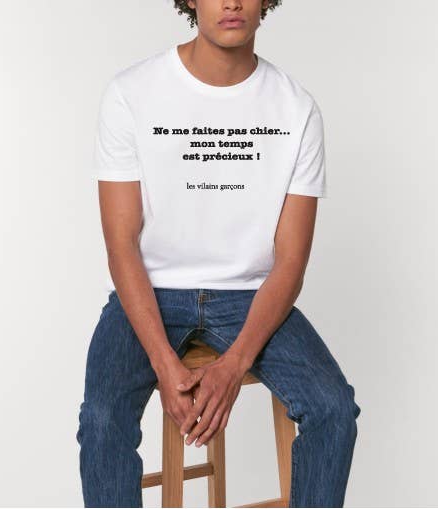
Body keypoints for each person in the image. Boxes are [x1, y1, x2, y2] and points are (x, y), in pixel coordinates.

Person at [76, 0, 362, 507]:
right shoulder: (131, 93)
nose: (231, 3)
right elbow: (121, 245)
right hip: (151, 290)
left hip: (251, 295)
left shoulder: (296, 109)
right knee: (102, 420)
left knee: (333, 409)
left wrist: (234, 365)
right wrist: (164, 364)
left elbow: (290, 262)